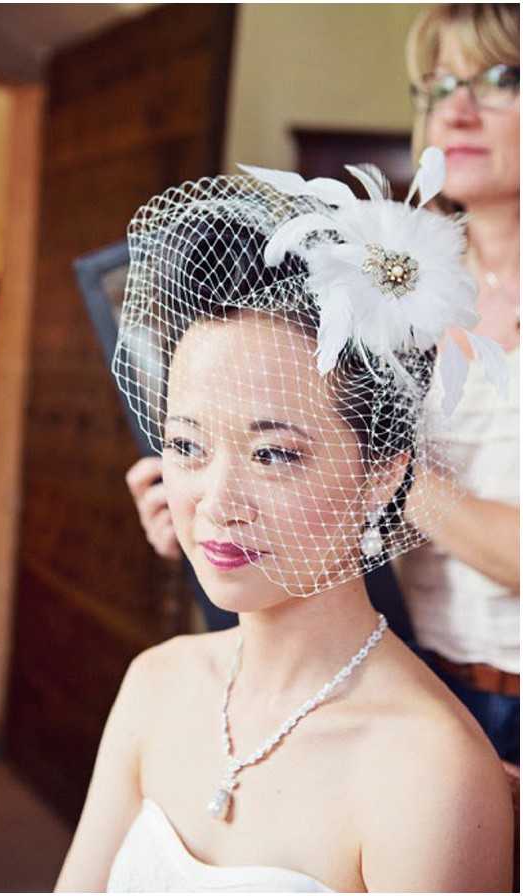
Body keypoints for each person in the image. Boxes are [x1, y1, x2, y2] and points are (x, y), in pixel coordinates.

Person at [56, 155, 513, 892]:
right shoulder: (155, 683)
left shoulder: (430, 770)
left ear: (382, 477)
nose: (216, 498)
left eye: (273, 453)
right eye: (186, 446)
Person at [396, 2, 519, 766]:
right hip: (414, 696)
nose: (460, 109)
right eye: (440, 86)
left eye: (501, 78)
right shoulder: (393, 300)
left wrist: (387, 476)